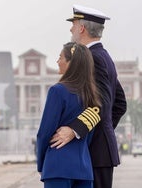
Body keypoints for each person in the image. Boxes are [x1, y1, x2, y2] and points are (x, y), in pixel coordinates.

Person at [50, 4, 127, 188]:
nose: (71, 29)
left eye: (74, 24)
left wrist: (75, 130)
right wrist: (104, 129)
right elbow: (120, 104)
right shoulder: (104, 56)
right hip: (100, 150)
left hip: (95, 152)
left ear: (82, 28)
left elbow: (101, 102)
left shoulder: (93, 58)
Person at [37, 42, 101, 188]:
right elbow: (89, 133)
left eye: (60, 57)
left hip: (57, 166)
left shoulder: (57, 91)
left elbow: (45, 132)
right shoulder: (91, 95)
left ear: (71, 63)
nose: (58, 61)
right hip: (84, 168)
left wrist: (42, 164)